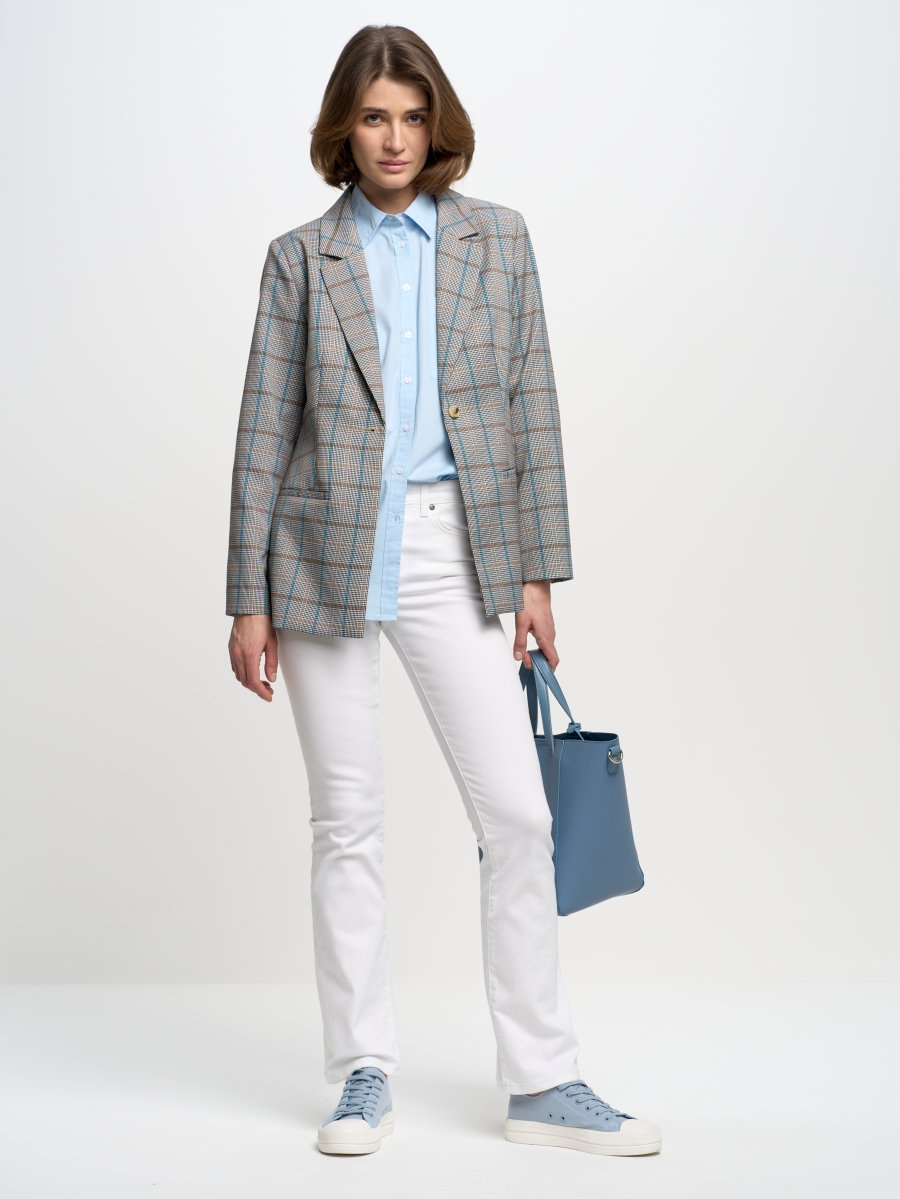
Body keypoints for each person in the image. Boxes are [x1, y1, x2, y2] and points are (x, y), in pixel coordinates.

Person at [226, 24, 660, 1159]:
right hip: (320, 551)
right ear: (346, 128)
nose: (395, 138)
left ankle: (543, 1078)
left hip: (454, 546)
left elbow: (532, 404)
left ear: (439, 126)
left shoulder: (496, 240)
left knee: (518, 816)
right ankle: (361, 1071)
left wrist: (535, 572)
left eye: (413, 117)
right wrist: (246, 597)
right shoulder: (299, 259)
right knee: (348, 822)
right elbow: (263, 433)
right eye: (375, 117)